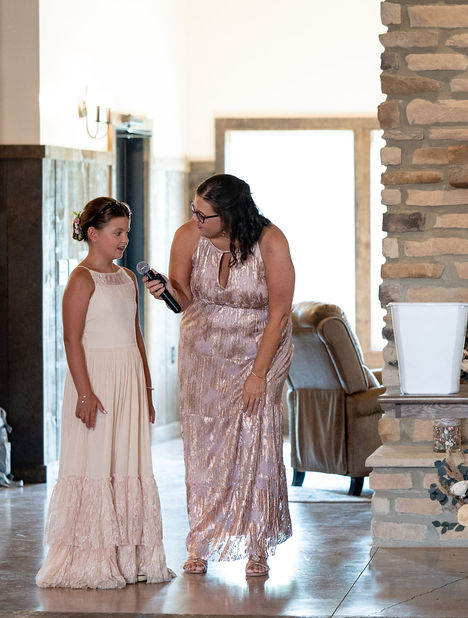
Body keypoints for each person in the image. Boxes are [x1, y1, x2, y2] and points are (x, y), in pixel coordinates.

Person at [144, 174, 294, 578]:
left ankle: (257, 544)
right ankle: (201, 538)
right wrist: (166, 293)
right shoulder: (188, 236)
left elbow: (279, 312)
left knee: (256, 436)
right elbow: (186, 296)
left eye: (203, 214)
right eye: (194, 210)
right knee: (205, 441)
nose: (195, 219)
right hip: (204, 352)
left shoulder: (270, 241)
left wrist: (258, 374)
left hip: (260, 348)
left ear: (228, 215)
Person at [36, 198, 175, 589]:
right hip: (95, 382)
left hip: (128, 381)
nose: (125, 240)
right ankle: (92, 558)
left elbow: (136, 335)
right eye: (118, 233)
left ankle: (130, 558)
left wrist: (146, 389)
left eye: (127, 232)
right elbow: (71, 338)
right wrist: (84, 393)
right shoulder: (81, 279)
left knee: (127, 465)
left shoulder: (129, 278)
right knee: (97, 463)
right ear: (93, 234)